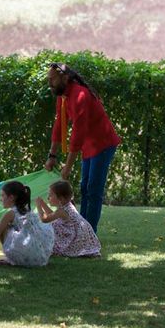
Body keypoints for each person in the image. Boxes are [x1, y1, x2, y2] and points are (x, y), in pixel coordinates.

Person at [45, 62, 121, 232]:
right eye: (48, 79)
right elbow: (59, 126)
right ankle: (83, 230)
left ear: (65, 78)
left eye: (53, 79)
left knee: (93, 189)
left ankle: (89, 233)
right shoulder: (62, 96)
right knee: (84, 187)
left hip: (103, 143)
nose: (49, 83)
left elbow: (78, 133)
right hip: (89, 145)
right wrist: (52, 155)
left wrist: (68, 166)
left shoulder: (80, 95)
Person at [0, 181, 54, 267]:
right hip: (40, 259)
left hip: (25, 259)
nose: (0, 199)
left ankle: (11, 258)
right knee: (12, 228)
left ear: (11, 197)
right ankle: (15, 256)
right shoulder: (28, 211)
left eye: (2, 195)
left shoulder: (11, 213)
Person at [35, 180, 101, 257]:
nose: (48, 197)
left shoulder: (61, 210)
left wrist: (39, 206)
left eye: (50, 195)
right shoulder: (68, 206)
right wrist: (43, 204)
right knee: (54, 223)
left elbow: (45, 219)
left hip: (74, 239)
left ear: (61, 199)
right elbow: (52, 215)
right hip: (79, 236)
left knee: (47, 227)